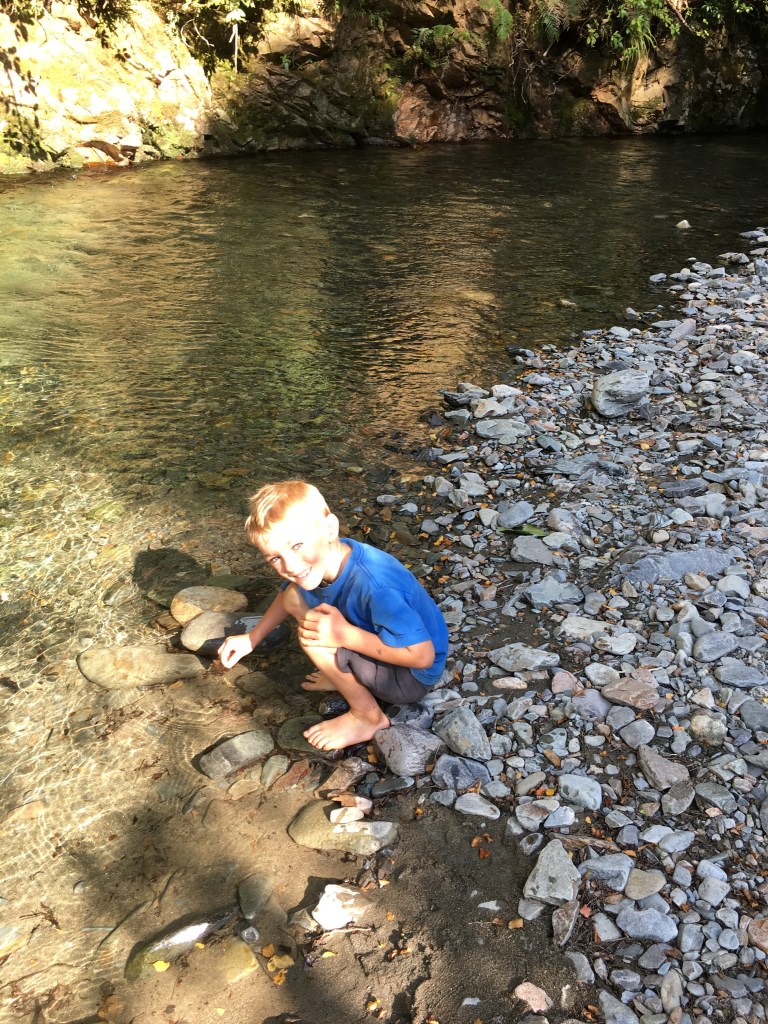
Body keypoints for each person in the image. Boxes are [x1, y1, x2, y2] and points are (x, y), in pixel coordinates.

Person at [218, 480, 449, 752]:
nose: (289, 566)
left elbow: (422, 657)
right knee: (294, 596)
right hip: (389, 650)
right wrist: (252, 638)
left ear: (329, 529)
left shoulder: (376, 585)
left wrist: (343, 635)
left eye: (297, 546)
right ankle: (345, 674)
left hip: (411, 678)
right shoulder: (332, 555)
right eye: (274, 558)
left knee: (314, 634)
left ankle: (367, 717)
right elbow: (288, 596)